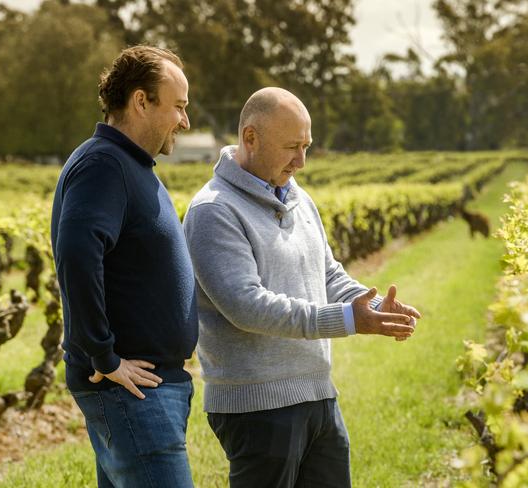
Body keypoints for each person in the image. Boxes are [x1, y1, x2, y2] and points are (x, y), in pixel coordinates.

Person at [183, 87, 422, 488]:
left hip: (317, 394)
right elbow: (247, 306)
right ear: (250, 138)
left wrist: (375, 307)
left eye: (307, 145)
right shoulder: (214, 211)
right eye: (291, 147)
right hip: (257, 406)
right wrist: (348, 319)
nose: (302, 161)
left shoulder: (298, 199)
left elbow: (327, 274)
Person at [51, 46, 197, 488]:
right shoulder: (103, 164)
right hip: (130, 392)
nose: (185, 121)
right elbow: (76, 254)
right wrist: (104, 355)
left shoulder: (126, 164)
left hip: (142, 391)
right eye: (179, 107)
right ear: (141, 101)